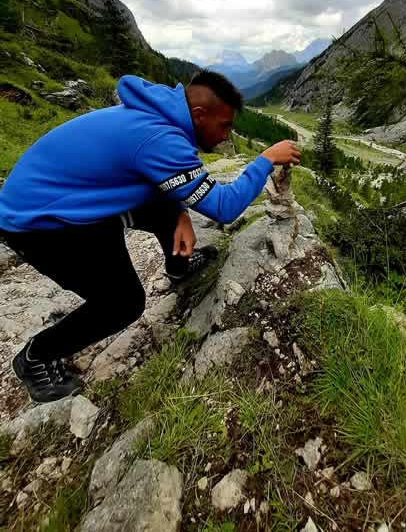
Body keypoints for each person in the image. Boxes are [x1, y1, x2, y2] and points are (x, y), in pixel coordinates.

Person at [0, 70, 300, 404]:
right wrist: (265, 160)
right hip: (39, 223)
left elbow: (155, 179)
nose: (226, 134)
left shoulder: (157, 116)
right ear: (199, 115)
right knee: (122, 303)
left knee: (165, 208)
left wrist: (179, 213)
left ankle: (178, 267)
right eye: (224, 125)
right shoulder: (160, 139)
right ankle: (35, 357)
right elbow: (224, 207)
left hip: (67, 201)